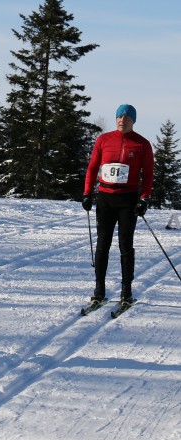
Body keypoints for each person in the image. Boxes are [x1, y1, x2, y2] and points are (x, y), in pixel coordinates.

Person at [82, 104, 154, 304]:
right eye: (119, 117)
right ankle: (99, 290)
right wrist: (87, 193)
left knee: (125, 245)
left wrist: (144, 198)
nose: (122, 120)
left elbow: (148, 175)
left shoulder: (142, 144)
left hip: (127, 200)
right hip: (105, 198)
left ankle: (126, 291)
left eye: (127, 118)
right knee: (102, 245)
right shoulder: (104, 140)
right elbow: (93, 167)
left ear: (133, 121)